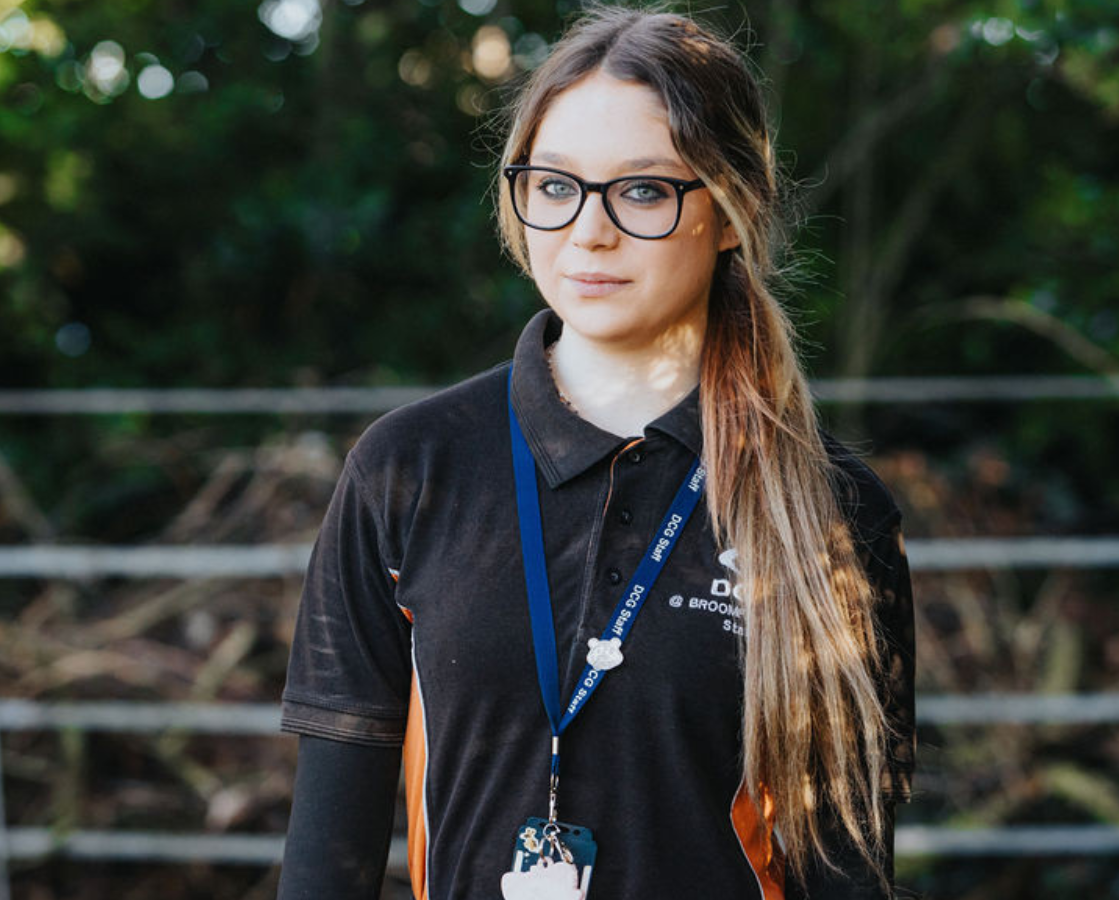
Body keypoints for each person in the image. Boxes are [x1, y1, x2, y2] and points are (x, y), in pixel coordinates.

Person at [276, 6, 915, 899]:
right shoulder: (408, 468)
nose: (589, 230)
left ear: (730, 212)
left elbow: (846, 872)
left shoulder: (832, 509)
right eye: (555, 184)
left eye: (644, 190)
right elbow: (327, 864)